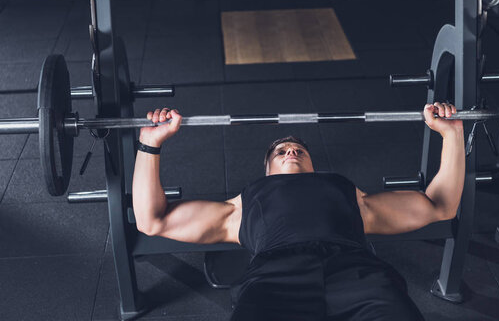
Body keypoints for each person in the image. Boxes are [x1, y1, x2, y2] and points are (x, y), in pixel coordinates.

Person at [132, 103, 465, 320]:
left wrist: (453, 134)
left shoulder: (347, 193)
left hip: (359, 280)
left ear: (313, 166)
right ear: (267, 173)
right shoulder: (243, 204)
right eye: (281, 151)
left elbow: (441, 205)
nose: (291, 149)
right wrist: (150, 144)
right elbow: (151, 220)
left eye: (299, 149)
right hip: (275, 285)